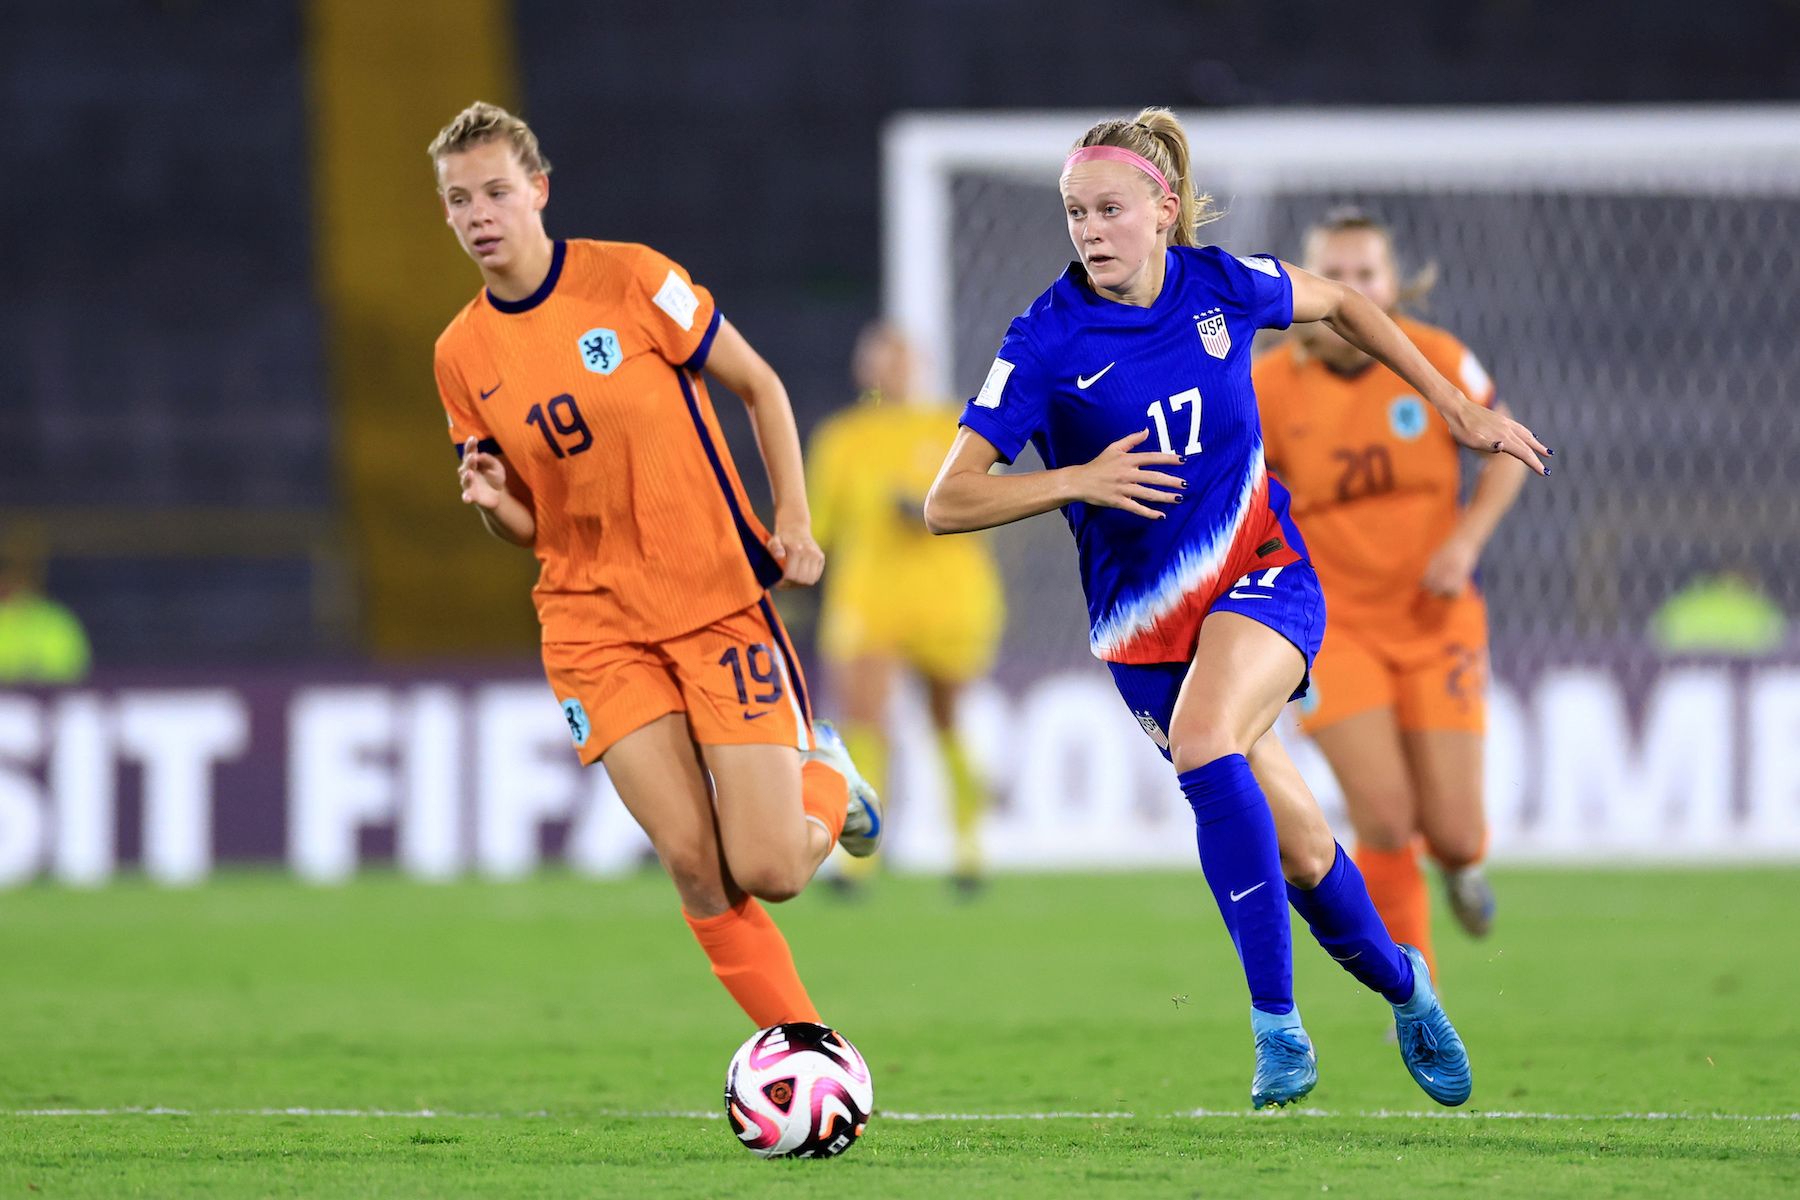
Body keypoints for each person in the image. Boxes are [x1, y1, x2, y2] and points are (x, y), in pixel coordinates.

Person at [924, 108, 1549, 1110]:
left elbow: (1344, 304)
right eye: (1076, 211)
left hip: (1264, 574)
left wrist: (1454, 406)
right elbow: (946, 500)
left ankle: (1277, 1029)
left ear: (1163, 211)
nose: (1091, 229)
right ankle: (1407, 988)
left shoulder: (1222, 285)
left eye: (1112, 209)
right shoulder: (1043, 340)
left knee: (1207, 739)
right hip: (1142, 631)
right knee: (1301, 845)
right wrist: (1073, 480)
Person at [427, 101, 881, 1031]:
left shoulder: (631, 279)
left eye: (497, 192)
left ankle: (828, 771)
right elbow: (530, 525)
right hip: (591, 625)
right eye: (458, 199)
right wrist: (495, 506)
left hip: (713, 598)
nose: (480, 214)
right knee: (693, 863)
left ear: (538, 191)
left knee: (772, 869)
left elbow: (760, 385)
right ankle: (805, 1052)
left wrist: (791, 519)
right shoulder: (460, 354)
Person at [1253, 210, 1526, 981]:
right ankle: (1419, 994)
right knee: (1383, 816)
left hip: (1437, 620)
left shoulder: (1434, 359)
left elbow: (1505, 446)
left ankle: (1463, 867)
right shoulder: (1267, 384)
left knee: (1454, 828)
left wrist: (1466, 540)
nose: (1351, 286)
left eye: (1366, 272)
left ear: (1392, 284)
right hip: (1331, 628)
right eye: (1334, 272)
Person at [808, 322, 1005, 893]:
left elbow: (986, 504)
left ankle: (968, 847)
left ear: (917, 365)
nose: (889, 370)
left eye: (899, 358)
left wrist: (922, 510)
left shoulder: (953, 427)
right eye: (879, 359)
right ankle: (859, 859)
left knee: (946, 717)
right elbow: (818, 526)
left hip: (946, 598)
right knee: (863, 718)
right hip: (869, 597)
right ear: (863, 369)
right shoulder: (841, 438)